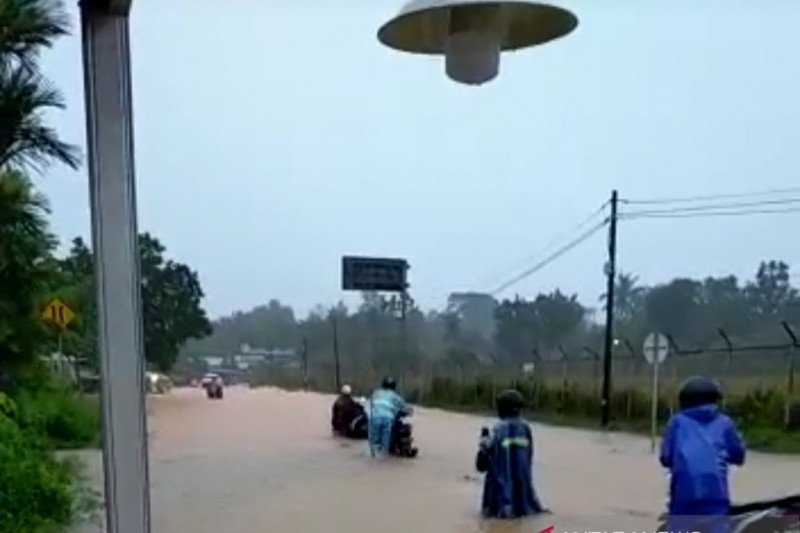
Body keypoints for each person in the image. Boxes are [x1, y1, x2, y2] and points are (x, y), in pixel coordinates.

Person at [660, 376, 746, 533]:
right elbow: (738, 455)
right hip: (715, 494)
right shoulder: (725, 423)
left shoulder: (676, 422)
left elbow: (665, 457)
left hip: (683, 494)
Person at [475, 389, 546, 519]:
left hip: (499, 498)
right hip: (524, 496)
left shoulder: (498, 429)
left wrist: (482, 441)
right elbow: (529, 457)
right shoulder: (525, 429)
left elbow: (481, 465)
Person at [368, 376, 407, 457]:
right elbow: (404, 406)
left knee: (374, 441)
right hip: (388, 419)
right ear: (393, 386)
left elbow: (370, 404)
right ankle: (383, 458)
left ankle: (374, 457)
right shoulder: (394, 396)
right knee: (385, 443)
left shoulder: (376, 393)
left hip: (375, 418)